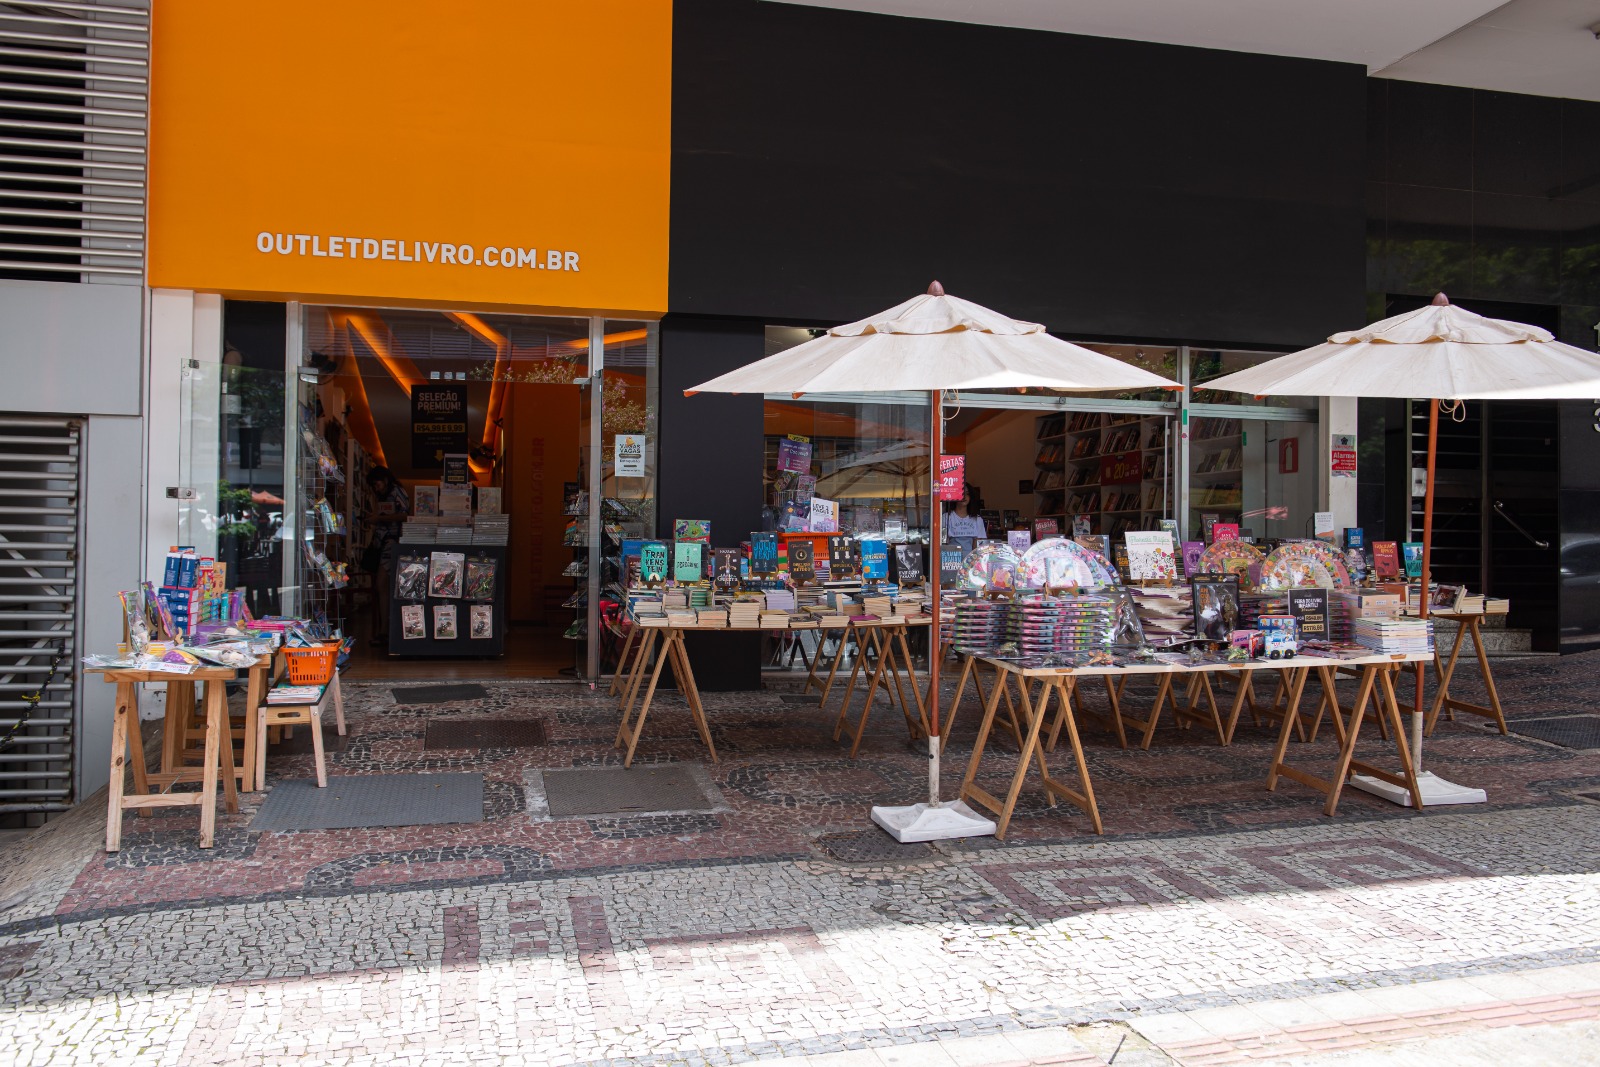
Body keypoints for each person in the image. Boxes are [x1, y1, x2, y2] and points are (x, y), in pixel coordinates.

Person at [364, 466, 410, 646]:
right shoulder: (384, 496)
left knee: (382, 584)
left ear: (385, 480)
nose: (376, 488)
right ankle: (385, 630)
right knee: (383, 586)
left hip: (392, 545)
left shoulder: (397, 492)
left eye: (377, 484)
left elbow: (405, 515)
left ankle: (385, 631)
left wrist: (379, 519)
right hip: (384, 545)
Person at [944, 483, 988, 553]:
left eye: (967, 494)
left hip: (971, 558)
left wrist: (972, 558)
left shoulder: (977, 519)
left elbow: (979, 545)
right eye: (961, 493)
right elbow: (943, 543)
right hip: (951, 557)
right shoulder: (946, 517)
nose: (964, 496)